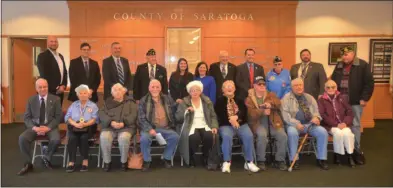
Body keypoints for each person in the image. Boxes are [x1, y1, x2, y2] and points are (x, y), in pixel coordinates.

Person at [331, 46, 374, 165]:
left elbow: (369, 83)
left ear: (353, 54)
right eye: (343, 55)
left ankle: (356, 151)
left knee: (355, 125)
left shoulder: (362, 65)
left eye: (347, 54)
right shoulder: (339, 65)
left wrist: (364, 98)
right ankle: (341, 151)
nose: (345, 57)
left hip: (355, 101)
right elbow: (333, 81)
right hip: (340, 102)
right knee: (341, 125)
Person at [281, 78, 329, 170]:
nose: (299, 87)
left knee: (323, 132)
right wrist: (296, 124)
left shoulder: (309, 97)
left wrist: (316, 118)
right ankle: (294, 159)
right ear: (291, 87)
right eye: (296, 85)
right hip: (293, 125)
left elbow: (316, 112)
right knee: (292, 133)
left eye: (300, 85)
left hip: (309, 124)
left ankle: (321, 158)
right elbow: (286, 116)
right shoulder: (286, 98)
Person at [17, 78, 62, 175]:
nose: (43, 89)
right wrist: (34, 127)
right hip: (35, 127)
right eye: (40, 87)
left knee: (56, 140)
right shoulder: (31, 100)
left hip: (50, 126)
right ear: (36, 88)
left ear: (48, 87)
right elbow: (27, 118)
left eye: (45, 87)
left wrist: (48, 128)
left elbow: (58, 117)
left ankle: (47, 157)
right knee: (22, 138)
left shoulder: (56, 99)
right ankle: (28, 164)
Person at [215, 80, 259, 173]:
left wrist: (236, 118)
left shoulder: (240, 99)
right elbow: (220, 115)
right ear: (223, 90)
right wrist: (231, 120)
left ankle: (249, 162)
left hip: (241, 123)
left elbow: (243, 112)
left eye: (231, 86)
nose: (229, 88)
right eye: (226, 86)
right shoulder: (219, 101)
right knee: (226, 136)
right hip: (226, 124)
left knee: (249, 136)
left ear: (234, 89)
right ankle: (227, 161)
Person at [245, 76, 288, 171]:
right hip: (257, 123)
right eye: (259, 84)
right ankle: (261, 160)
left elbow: (278, 103)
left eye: (263, 84)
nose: (262, 86)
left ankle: (280, 160)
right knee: (262, 135)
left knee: (282, 135)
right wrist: (262, 111)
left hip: (272, 122)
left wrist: (270, 104)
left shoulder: (271, 94)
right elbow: (250, 114)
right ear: (254, 86)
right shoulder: (249, 99)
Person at [138, 79, 179, 172]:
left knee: (175, 137)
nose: (155, 89)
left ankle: (166, 157)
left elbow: (175, 110)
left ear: (160, 88)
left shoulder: (167, 98)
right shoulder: (143, 100)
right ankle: (147, 160)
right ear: (149, 88)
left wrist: (183, 104)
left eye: (157, 87)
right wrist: (149, 129)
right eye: (153, 87)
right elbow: (141, 118)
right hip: (149, 128)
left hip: (166, 127)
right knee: (144, 139)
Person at [175, 80, 218, 168]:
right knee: (194, 138)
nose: (195, 92)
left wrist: (214, 126)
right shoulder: (184, 102)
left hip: (205, 124)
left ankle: (206, 157)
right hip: (190, 125)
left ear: (200, 91)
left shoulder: (207, 101)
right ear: (189, 92)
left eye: (197, 90)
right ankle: (191, 157)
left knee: (209, 136)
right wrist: (186, 111)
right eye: (192, 90)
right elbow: (178, 117)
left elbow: (213, 116)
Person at [99, 83, 137, 172]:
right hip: (110, 127)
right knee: (104, 137)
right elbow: (101, 114)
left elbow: (134, 115)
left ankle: (124, 162)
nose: (117, 92)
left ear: (124, 91)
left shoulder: (131, 102)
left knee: (124, 138)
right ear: (112, 93)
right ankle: (107, 161)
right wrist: (111, 122)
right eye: (115, 90)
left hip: (126, 127)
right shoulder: (107, 102)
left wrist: (124, 123)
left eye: (119, 90)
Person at [318, 80, 356, 167]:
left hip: (343, 124)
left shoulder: (342, 98)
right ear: (325, 88)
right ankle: (338, 155)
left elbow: (349, 111)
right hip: (330, 125)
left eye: (333, 87)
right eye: (328, 87)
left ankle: (350, 155)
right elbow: (322, 115)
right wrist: (336, 124)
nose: (330, 89)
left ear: (336, 88)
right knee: (338, 133)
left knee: (347, 133)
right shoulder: (321, 100)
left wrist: (345, 123)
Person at [64, 85, 99, 172]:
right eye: (81, 93)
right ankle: (71, 162)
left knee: (84, 138)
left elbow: (96, 119)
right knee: (72, 138)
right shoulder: (73, 104)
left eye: (85, 93)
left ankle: (85, 161)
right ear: (78, 95)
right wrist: (74, 123)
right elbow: (67, 117)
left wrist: (85, 124)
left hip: (88, 127)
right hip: (75, 126)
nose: (83, 95)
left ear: (89, 95)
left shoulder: (93, 105)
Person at [37, 36, 67, 106]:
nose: (54, 43)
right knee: (49, 114)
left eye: (55, 41)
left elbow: (65, 72)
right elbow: (44, 75)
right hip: (49, 92)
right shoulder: (42, 56)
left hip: (60, 92)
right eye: (51, 41)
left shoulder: (61, 56)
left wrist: (63, 85)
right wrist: (56, 88)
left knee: (57, 114)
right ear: (47, 43)